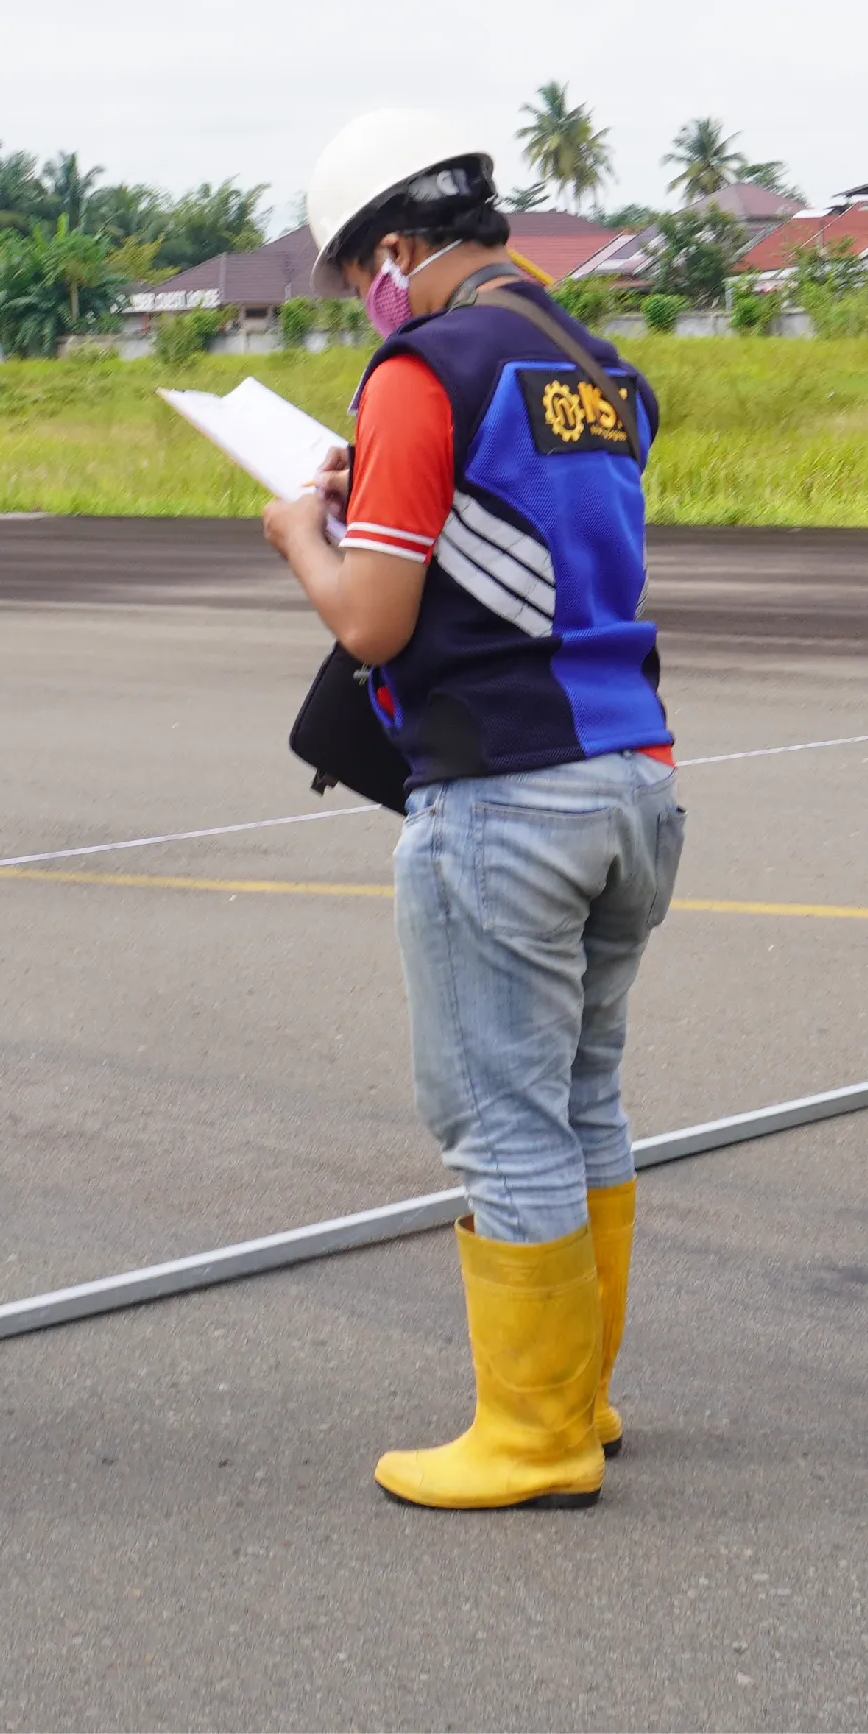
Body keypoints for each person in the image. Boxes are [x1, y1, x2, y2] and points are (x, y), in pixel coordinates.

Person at [257, 109, 683, 1511]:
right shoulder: (596, 367)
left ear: (392, 250)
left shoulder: (422, 365)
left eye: (349, 282)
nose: (354, 310)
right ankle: (585, 1397)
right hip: (632, 778)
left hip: (504, 795)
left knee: (499, 1116)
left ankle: (534, 1434)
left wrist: (299, 534)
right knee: (581, 1099)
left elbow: (376, 623)